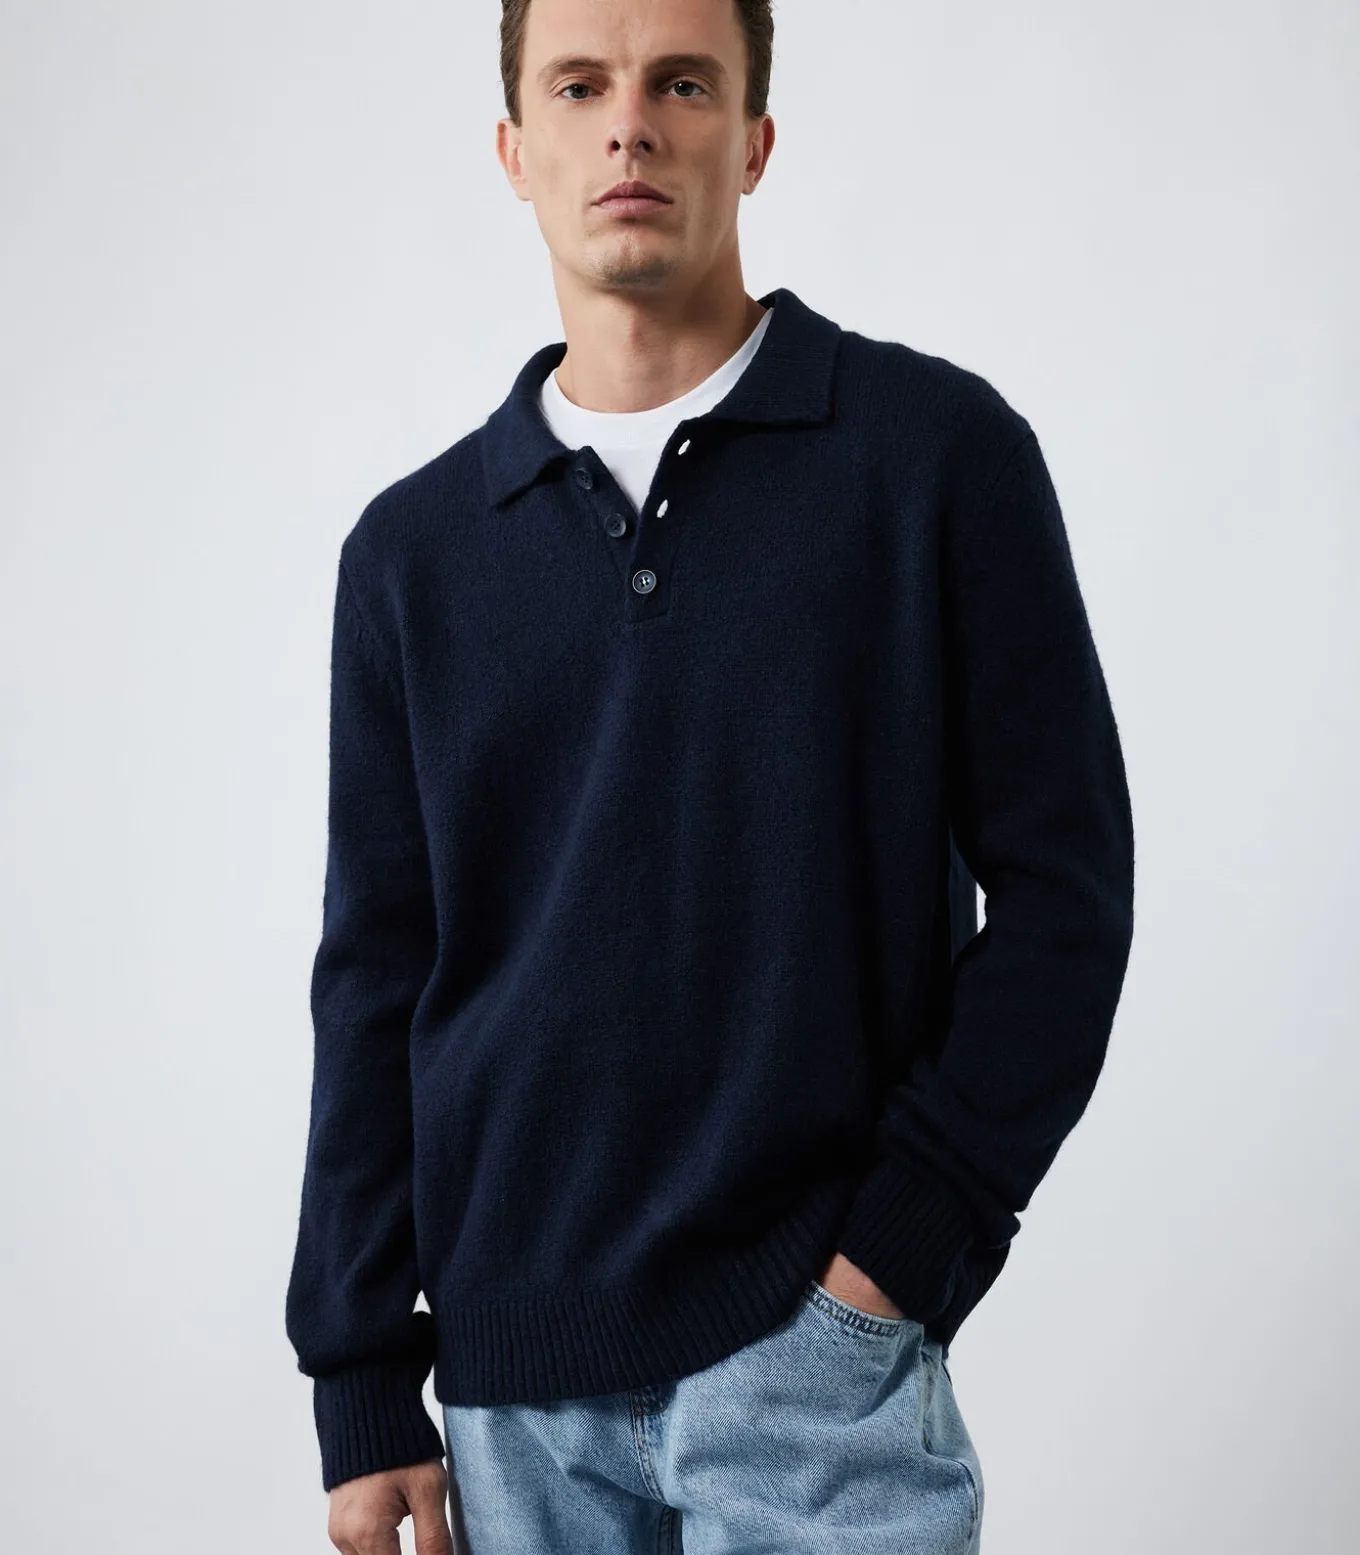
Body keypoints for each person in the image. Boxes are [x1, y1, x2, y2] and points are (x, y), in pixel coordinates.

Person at [284, 0, 1136, 1549]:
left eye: (682, 82)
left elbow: (1067, 893)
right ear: (515, 150)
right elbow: (376, 975)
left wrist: (897, 1258)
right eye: (580, 86)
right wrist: (359, 1372)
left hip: (816, 1367)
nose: (630, 125)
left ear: (752, 139)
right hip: (511, 1405)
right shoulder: (411, 557)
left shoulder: (933, 458)